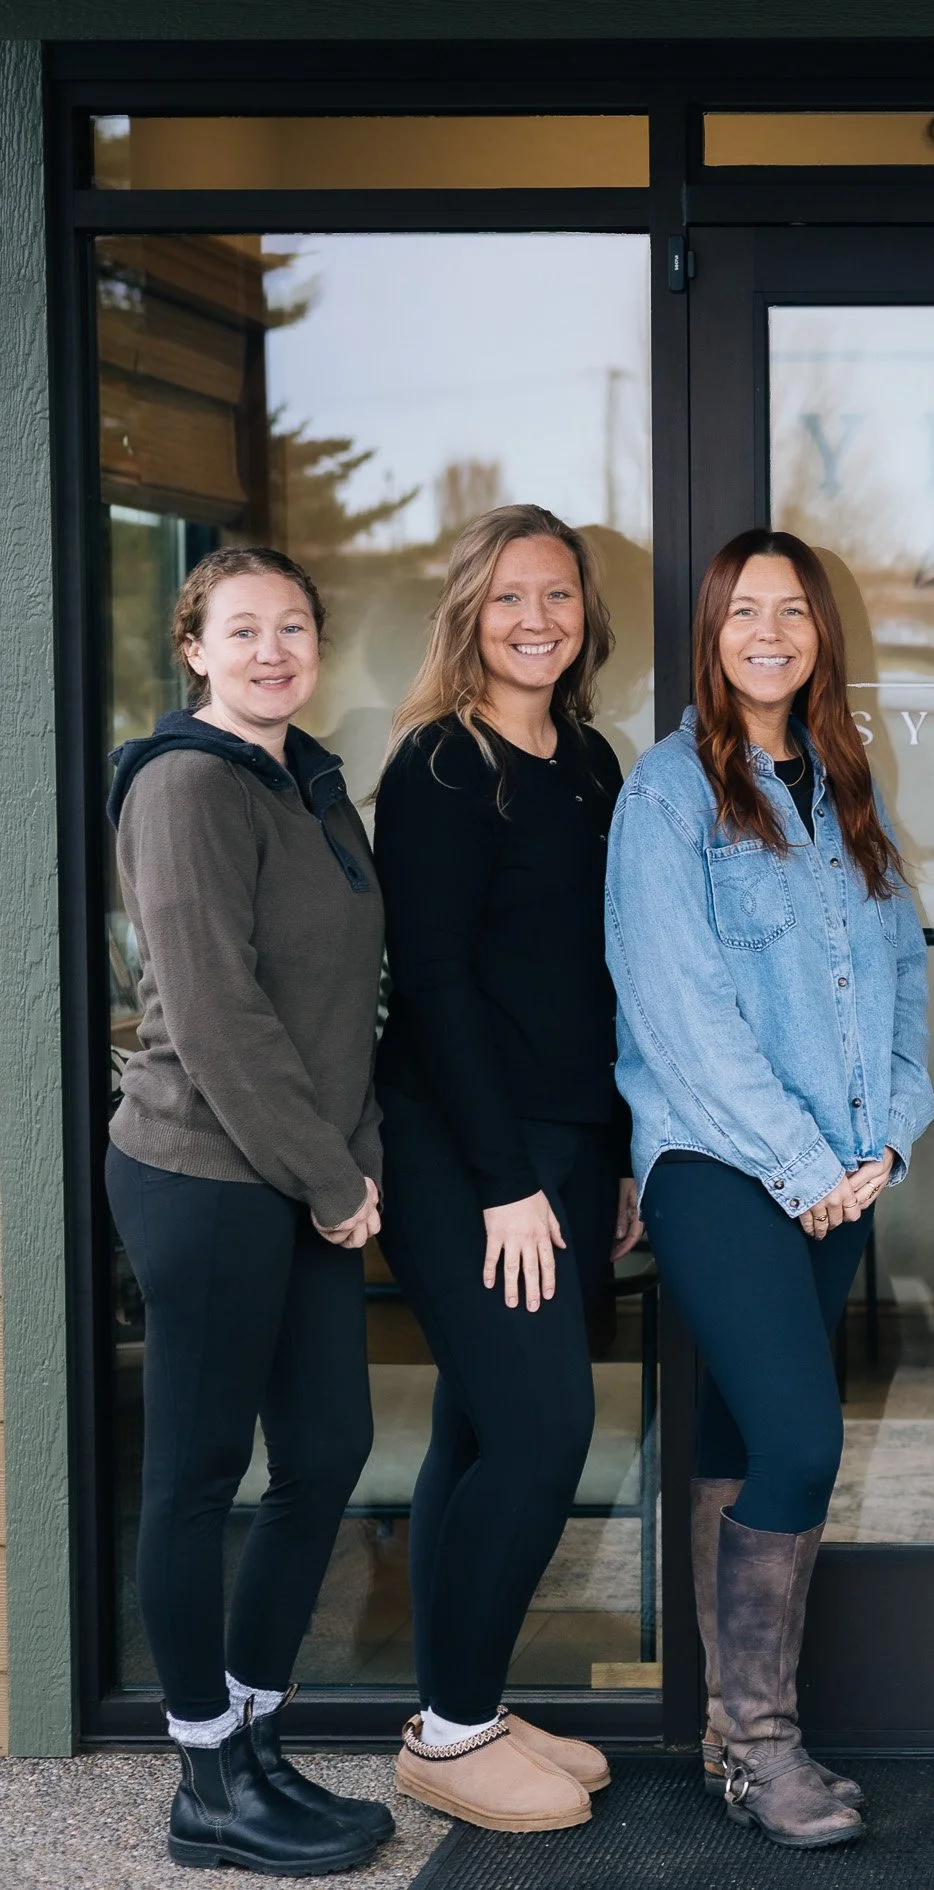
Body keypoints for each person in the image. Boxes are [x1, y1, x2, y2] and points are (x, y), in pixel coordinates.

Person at [606, 527, 934, 1850]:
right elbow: (678, 1008)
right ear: (712, 631)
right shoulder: (669, 795)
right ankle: (769, 1742)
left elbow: (908, 978)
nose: (768, 632)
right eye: (745, 611)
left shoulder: (852, 787)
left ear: (820, 634)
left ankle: (726, 1742)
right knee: (803, 1440)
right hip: (718, 1164)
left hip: (840, 1178)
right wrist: (803, 1165)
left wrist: (890, 1140)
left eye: (791, 611)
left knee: (746, 1440)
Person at [103, 547, 393, 1875]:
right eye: (241, 629)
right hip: (207, 1176)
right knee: (198, 1475)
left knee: (327, 1449)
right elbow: (218, 1017)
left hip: (303, 1176)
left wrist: (356, 1157)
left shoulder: (310, 781)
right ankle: (206, 1775)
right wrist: (335, 1183)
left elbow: (347, 1006)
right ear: (197, 650)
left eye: (292, 627)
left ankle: (259, 1734)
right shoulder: (182, 785)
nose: (271, 648)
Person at [374, 505, 636, 1831]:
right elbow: (432, 987)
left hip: (575, 1146)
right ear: (470, 613)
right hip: (471, 1155)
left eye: (559, 597)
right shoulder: (436, 768)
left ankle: (456, 1697)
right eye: (509, 598)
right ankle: (453, 1733)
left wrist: (625, 1150)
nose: (537, 619)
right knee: (543, 1433)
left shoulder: (591, 760)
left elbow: (605, 974)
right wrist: (502, 1180)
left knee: (479, 1430)